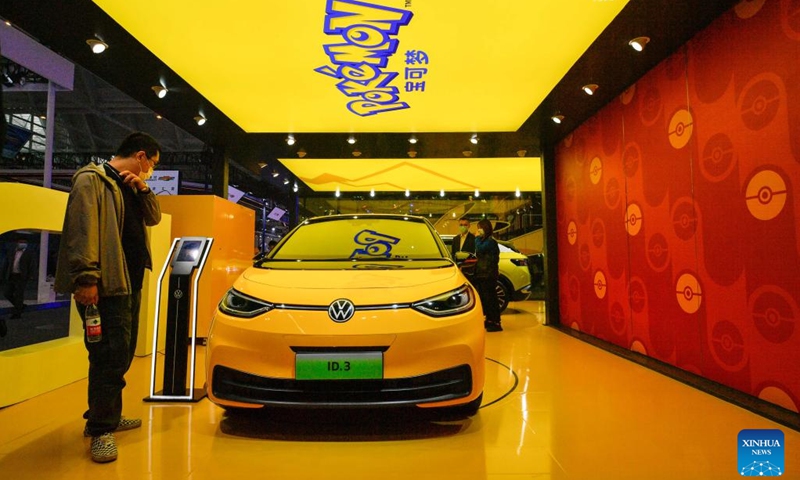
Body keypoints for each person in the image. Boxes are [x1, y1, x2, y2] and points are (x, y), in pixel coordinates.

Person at [54, 132, 162, 463]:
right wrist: (86, 278)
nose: (151, 171)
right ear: (141, 155)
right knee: (107, 355)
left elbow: (154, 217)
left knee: (122, 352)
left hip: (129, 283)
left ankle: (108, 416)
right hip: (105, 285)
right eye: (152, 165)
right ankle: (101, 429)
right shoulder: (92, 180)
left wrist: (143, 189)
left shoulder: (129, 184)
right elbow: (82, 231)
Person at [473, 219, 502, 332]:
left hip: (488, 274)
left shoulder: (490, 241)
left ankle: (495, 322)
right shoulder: (485, 240)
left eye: (479, 227)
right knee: (486, 299)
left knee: (491, 299)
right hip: (483, 273)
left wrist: (476, 238)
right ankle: (489, 320)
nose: (478, 230)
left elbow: (480, 249)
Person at [3, 237, 36, 320]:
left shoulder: (29, 253)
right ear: (17, 243)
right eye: (21, 242)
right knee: (7, 293)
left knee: (19, 294)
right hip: (11, 275)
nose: (22, 243)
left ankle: (17, 313)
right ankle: (20, 306)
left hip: (21, 276)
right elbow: (7, 263)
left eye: (24, 242)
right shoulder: (12, 252)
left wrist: (31, 275)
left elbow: (32, 265)